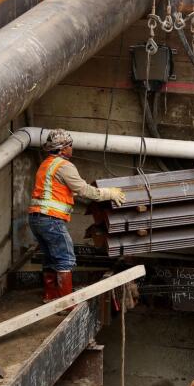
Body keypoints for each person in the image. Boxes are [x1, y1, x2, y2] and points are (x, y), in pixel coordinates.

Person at [28, 129, 126, 301]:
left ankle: (50, 297)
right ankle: (66, 304)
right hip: (51, 219)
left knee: (51, 258)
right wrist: (108, 193)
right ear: (63, 148)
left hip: (36, 219)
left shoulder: (46, 164)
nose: (72, 148)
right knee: (65, 258)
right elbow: (83, 190)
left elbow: (52, 191)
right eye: (70, 145)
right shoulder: (64, 166)